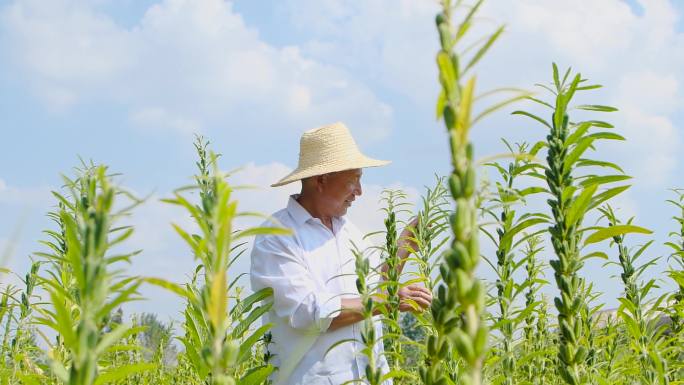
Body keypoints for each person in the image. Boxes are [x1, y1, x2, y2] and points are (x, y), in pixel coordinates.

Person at [250, 122, 433, 385]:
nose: (359, 192)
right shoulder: (278, 236)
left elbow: (370, 295)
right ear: (321, 180)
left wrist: (402, 250)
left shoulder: (351, 234)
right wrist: (390, 301)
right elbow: (308, 312)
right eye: (354, 180)